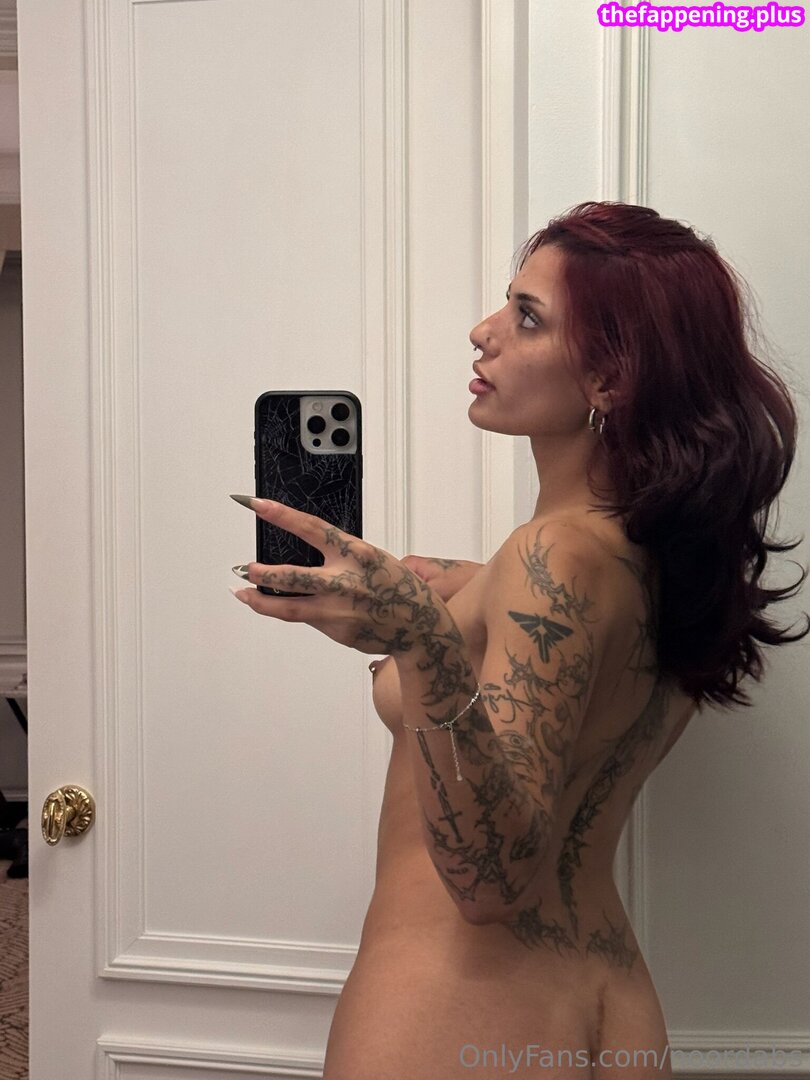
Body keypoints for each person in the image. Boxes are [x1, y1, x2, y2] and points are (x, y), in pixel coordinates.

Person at [231, 201, 808, 1078]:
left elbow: (490, 882)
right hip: (610, 1000)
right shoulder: (646, 564)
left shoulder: (553, 558)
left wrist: (421, 641)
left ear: (611, 379)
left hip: (460, 1006)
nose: (483, 331)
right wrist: (432, 608)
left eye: (527, 317)